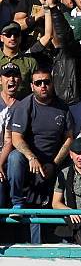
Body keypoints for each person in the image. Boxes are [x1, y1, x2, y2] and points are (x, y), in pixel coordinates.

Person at [7, 67, 74, 240]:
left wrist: (54, 164)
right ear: (32, 86)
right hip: (29, 162)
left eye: (46, 82)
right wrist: (32, 157)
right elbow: (16, 138)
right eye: (38, 83)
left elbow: (69, 139)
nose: (43, 86)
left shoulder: (63, 107)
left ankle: (70, 236)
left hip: (54, 163)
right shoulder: (24, 106)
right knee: (14, 158)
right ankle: (17, 203)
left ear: (52, 84)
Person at [0, 62, 21, 207]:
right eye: (7, 76)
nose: (11, 79)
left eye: (15, 76)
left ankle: (17, 204)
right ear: (0, 79)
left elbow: (10, 140)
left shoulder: (23, 106)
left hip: (10, 158)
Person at [0, 21, 37, 98]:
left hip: (22, 107)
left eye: (16, 34)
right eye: (8, 34)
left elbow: (36, 88)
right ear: (1, 38)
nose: (12, 38)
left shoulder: (30, 62)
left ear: (20, 38)